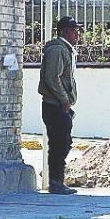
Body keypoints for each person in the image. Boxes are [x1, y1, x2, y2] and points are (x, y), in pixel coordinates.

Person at [38, 16, 83, 194]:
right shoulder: (57, 49)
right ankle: (55, 183)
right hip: (54, 105)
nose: (76, 34)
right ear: (64, 31)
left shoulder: (65, 49)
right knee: (58, 144)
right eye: (73, 30)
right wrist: (64, 99)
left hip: (60, 106)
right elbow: (52, 78)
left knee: (63, 143)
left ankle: (58, 181)